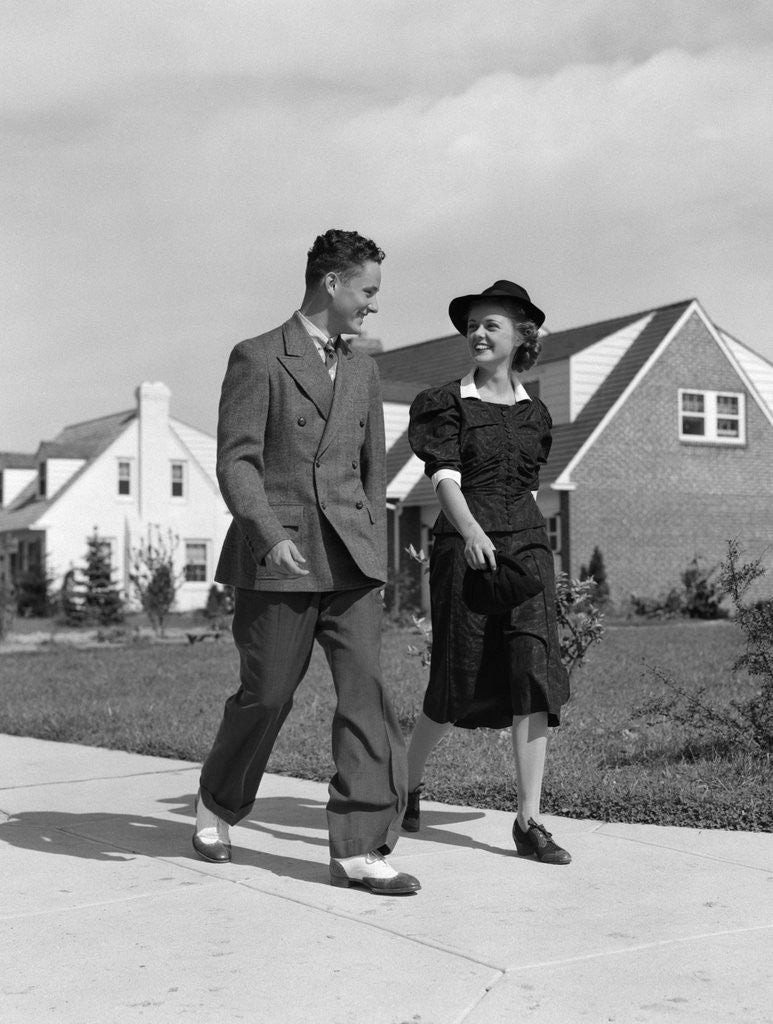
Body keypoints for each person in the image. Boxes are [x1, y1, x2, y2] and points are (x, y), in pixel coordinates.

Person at [193, 229, 420, 895]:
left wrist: (373, 541)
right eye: (368, 290)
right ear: (332, 283)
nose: (373, 305)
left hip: (350, 560)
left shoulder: (362, 367)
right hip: (280, 557)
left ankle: (360, 847)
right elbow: (236, 458)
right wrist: (266, 530)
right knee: (266, 695)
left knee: (366, 696)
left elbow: (371, 470)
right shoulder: (258, 357)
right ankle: (218, 801)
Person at [403, 280, 572, 865]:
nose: (478, 333)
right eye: (472, 325)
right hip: (464, 551)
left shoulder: (536, 414)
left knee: (534, 673)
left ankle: (529, 820)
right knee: (457, 674)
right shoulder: (443, 402)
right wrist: (472, 530)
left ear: (521, 336)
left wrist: (522, 539)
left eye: (490, 325)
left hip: (526, 552)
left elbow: (528, 486)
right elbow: (443, 477)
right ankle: (406, 782)